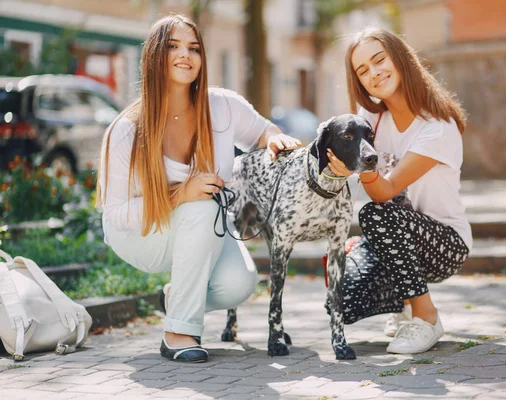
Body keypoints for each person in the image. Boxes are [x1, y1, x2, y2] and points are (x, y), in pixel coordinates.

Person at [96, 14, 300, 363]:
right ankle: (178, 331)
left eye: (193, 48)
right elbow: (115, 213)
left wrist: (277, 140)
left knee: (238, 285)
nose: (185, 55)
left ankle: (179, 296)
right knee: (202, 204)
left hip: (202, 225)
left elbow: (263, 131)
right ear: (153, 56)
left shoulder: (221, 105)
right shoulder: (127, 130)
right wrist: (180, 194)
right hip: (141, 233)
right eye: (173, 46)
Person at [326, 27, 472, 354]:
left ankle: (426, 316)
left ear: (400, 58)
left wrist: (360, 166)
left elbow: (386, 191)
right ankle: (403, 305)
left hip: (446, 243)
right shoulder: (372, 119)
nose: (374, 73)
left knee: (376, 214)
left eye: (379, 60)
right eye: (363, 70)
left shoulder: (437, 126)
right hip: (395, 232)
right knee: (345, 301)